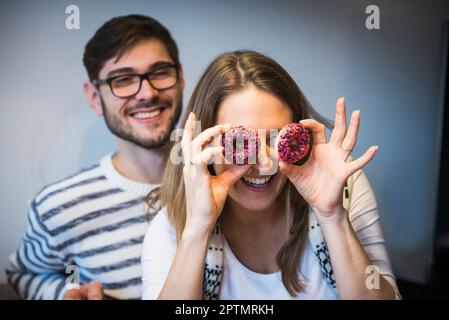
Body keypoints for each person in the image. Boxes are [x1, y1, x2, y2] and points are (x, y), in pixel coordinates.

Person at [141, 50, 400, 299]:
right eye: (241, 143)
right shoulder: (173, 226)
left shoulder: (343, 185)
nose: (265, 164)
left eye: (277, 139)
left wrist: (332, 216)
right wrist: (198, 228)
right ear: (204, 145)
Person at [6, 14, 184, 300]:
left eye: (160, 72)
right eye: (123, 79)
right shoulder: (58, 206)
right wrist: (65, 292)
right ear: (94, 98)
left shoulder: (226, 180)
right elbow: (24, 274)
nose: (147, 93)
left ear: (181, 79)